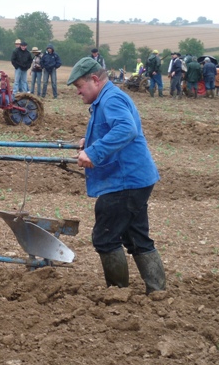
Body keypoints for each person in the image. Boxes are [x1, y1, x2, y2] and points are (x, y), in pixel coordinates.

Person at [66, 57, 165, 295]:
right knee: (137, 237)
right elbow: (112, 130)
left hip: (125, 181)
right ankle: (158, 291)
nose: (78, 92)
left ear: (95, 80)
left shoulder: (111, 99)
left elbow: (126, 129)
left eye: (79, 86)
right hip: (136, 178)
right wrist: (88, 142)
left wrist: (94, 151)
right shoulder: (108, 98)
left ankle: (118, 293)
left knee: (105, 237)